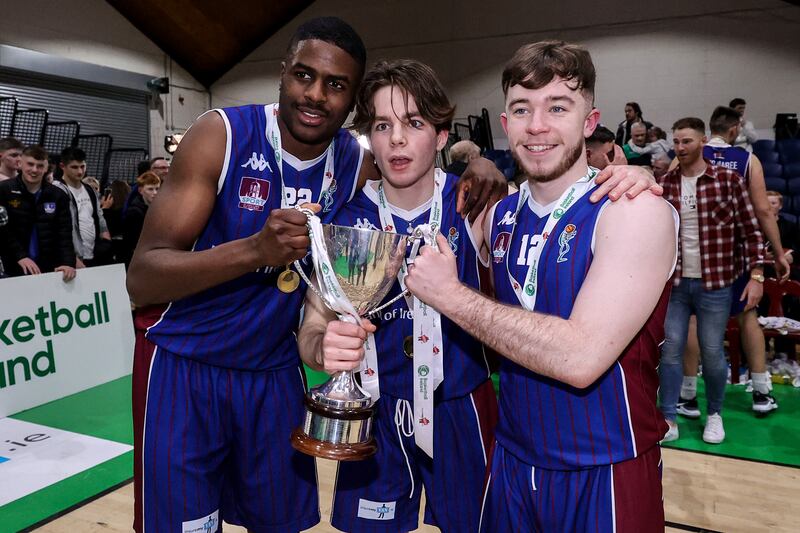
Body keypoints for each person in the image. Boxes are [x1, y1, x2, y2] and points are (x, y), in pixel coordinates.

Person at [125, 17, 508, 533]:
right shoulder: (221, 135)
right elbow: (142, 277)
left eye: (335, 85)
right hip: (186, 366)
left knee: (283, 523)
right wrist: (255, 250)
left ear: (351, 103)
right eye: (303, 76)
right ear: (283, 73)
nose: (314, 95)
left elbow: (421, 168)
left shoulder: (355, 164)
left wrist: (484, 166)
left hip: (276, 372)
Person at [404, 40, 677, 533]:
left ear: (590, 122)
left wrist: (449, 294)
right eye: (522, 109)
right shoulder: (496, 213)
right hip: (510, 463)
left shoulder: (634, 210)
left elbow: (579, 359)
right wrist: (475, 164)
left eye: (558, 107)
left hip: (606, 469)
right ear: (505, 125)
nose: (538, 126)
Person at [298, 59, 498, 533]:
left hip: (459, 405)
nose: (398, 140)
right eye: (383, 125)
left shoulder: (476, 204)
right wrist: (322, 348)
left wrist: (629, 181)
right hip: (376, 407)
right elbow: (311, 326)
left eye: (414, 123)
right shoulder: (346, 217)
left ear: (443, 134)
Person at [658, 116, 764, 444]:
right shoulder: (665, 183)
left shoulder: (728, 181)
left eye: (686, 141)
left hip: (716, 283)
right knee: (671, 348)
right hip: (675, 284)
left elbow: (751, 230)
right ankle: (668, 416)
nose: (680, 147)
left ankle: (715, 414)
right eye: (676, 142)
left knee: (712, 349)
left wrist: (757, 274)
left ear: (703, 141)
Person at [677, 106, 787, 420]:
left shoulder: (686, 154)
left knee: (693, 320)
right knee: (747, 316)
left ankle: (687, 396)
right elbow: (764, 211)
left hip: (693, 252)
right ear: (735, 129)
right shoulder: (746, 160)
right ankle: (762, 392)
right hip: (733, 254)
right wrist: (777, 253)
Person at [0, 145, 76, 280]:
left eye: (40, 166)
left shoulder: (58, 195)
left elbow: (64, 232)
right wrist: (20, 256)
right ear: (20, 164)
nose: (34, 170)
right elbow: (3, 229)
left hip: (48, 266)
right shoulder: (4, 190)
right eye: (30, 164)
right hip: (11, 264)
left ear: (47, 168)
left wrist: (68, 263)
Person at [52, 147, 112, 268]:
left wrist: (106, 242)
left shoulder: (90, 189)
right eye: (74, 167)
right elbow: (55, 228)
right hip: (70, 258)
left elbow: (99, 217)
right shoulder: (55, 190)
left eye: (82, 166)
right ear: (62, 166)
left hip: (93, 254)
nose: (80, 171)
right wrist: (71, 258)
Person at [122, 171, 159, 266]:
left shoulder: (157, 208)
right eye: (150, 189)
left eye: (157, 189)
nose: (155, 193)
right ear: (141, 190)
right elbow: (133, 243)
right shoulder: (134, 212)